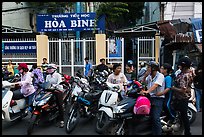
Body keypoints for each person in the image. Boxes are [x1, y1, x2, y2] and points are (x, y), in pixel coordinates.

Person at [140, 61, 165, 135]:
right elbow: (143, 83)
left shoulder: (160, 76)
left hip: (158, 98)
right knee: (148, 117)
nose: (147, 69)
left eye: (148, 67)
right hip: (150, 98)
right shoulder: (149, 76)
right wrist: (145, 76)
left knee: (155, 118)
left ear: (153, 68)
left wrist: (147, 91)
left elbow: (155, 85)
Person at [171, 56, 193, 135]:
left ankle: (186, 132)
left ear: (184, 65)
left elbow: (182, 90)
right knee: (183, 117)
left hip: (182, 98)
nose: (178, 66)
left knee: (183, 117)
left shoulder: (184, 76)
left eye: (180, 65)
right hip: (183, 98)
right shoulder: (186, 73)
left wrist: (173, 88)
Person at [45, 63, 64, 128]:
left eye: (50, 68)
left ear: (54, 69)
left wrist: (54, 86)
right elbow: (46, 83)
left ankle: (62, 120)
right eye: (48, 68)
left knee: (60, 105)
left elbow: (59, 83)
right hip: (50, 90)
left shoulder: (58, 75)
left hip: (58, 90)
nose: (49, 70)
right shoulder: (47, 76)